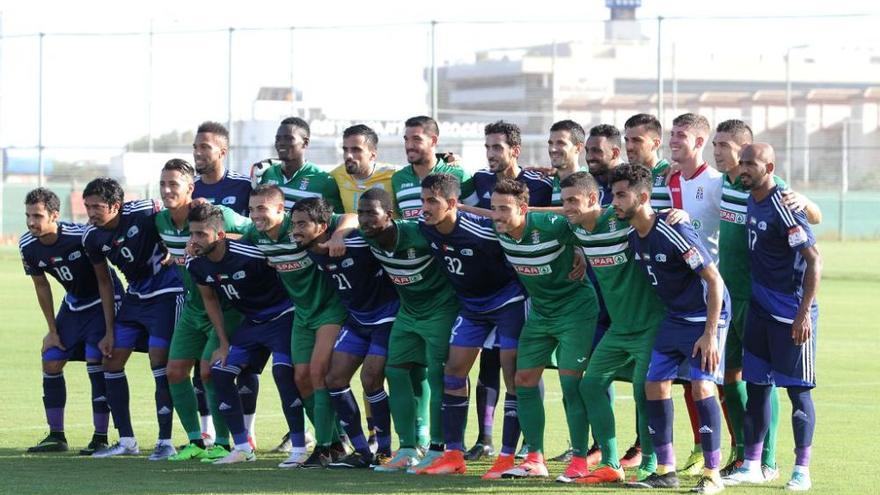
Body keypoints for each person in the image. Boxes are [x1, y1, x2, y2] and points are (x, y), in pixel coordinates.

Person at [612, 164, 729, 494]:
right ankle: (665, 470)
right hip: (676, 317)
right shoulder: (635, 236)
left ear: (644, 197)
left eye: (622, 195)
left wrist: (709, 334)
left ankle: (712, 475)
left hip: (706, 316)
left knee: (701, 388)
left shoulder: (673, 230)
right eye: (613, 194)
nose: (614, 201)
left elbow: (714, 281)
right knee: (654, 384)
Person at [414, 173, 527, 478]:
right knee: (453, 372)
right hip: (472, 307)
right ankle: (453, 455)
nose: (424, 207)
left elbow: (520, 235)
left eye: (431, 201)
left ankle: (506, 457)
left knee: (512, 375)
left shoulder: (484, 231)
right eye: (423, 200)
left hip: (508, 302)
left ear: (452, 203)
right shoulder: (425, 227)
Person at [723, 143, 822, 492]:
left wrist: (803, 314)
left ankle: (801, 470)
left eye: (752, 163)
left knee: (797, 393)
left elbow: (813, 259)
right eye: (743, 162)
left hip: (790, 315)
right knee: (758, 388)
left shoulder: (783, 204)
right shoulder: (749, 195)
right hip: (760, 312)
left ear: (770, 166)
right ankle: (751, 463)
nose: (745, 168)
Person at [560, 171, 665, 484]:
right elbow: (535, 217)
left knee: (642, 391)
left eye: (572, 201)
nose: (566, 208)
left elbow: (649, 215)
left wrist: (674, 212)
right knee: (590, 385)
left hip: (651, 324)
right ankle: (610, 463)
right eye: (563, 201)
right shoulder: (577, 231)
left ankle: (650, 461)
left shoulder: (619, 220)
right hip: (619, 329)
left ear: (594, 199)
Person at [490, 179, 597, 482]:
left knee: (570, 384)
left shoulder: (549, 225)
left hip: (575, 309)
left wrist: (581, 252)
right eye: (493, 208)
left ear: (523, 209)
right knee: (523, 379)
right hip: (540, 312)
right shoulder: (499, 229)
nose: (496, 215)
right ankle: (534, 457)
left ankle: (579, 459)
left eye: (504, 209)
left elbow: (584, 222)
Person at [243, 185, 354, 468]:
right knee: (301, 378)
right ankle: (337, 443)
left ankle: (325, 446)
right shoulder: (256, 236)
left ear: (281, 210)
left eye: (262, 209)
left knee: (318, 372)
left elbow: (350, 216)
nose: (256, 215)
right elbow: (230, 238)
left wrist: (339, 235)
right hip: (302, 315)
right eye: (252, 209)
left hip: (329, 309)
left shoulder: (298, 229)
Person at [185, 203, 302, 465]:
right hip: (252, 323)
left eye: (202, 234)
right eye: (192, 234)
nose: (195, 240)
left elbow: (287, 274)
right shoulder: (197, 265)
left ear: (220, 235)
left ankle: (299, 447)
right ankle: (242, 447)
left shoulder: (251, 254)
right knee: (220, 372)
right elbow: (211, 302)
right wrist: (223, 343)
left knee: (284, 374)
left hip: (283, 316)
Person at [155, 159, 253, 462]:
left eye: (174, 184)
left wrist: (218, 242)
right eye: (163, 184)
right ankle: (196, 440)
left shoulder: (216, 215)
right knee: (175, 372)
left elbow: (256, 232)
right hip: (192, 307)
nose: (168, 190)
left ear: (190, 188)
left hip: (226, 307)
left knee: (210, 371)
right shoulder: (160, 221)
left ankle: (224, 443)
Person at [464, 120, 551, 462]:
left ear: (515, 150)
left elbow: (561, 214)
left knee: (521, 367)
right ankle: (484, 438)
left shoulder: (540, 183)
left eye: (497, 147)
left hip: (526, 287)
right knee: (487, 364)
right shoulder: (481, 181)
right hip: (489, 288)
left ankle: (531, 441)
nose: (490, 154)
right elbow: (454, 198)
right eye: (487, 147)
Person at [357, 187, 460, 473]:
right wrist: (341, 233)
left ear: (389, 215)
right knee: (395, 370)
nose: (364, 220)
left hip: (441, 310)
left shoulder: (420, 233)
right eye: (361, 213)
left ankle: (438, 448)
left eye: (371, 213)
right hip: (409, 312)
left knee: (438, 374)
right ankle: (406, 449)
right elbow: (338, 222)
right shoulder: (366, 236)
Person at [81, 177, 184, 460]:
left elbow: (181, 214)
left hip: (167, 290)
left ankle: (165, 441)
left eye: (96, 207)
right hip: (135, 297)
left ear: (116, 206)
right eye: (87, 207)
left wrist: (177, 252)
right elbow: (104, 283)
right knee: (111, 360)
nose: (90, 213)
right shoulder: (92, 237)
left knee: (158, 359)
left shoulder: (145, 210)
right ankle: (127, 441)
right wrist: (109, 330)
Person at [294, 197, 398, 468]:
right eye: (294, 224)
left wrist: (341, 234)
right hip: (357, 320)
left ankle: (385, 450)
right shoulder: (309, 247)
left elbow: (352, 217)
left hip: (386, 317)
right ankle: (362, 452)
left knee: (371, 379)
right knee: (334, 378)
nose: (295, 230)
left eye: (302, 224)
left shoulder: (357, 243)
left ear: (323, 225)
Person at [20, 187, 123, 455]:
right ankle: (56, 437)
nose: (32, 221)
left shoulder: (82, 237)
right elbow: (42, 287)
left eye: (38, 215)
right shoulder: (28, 246)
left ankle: (100, 437)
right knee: (51, 357)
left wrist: (110, 330)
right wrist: (52, 331)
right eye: (28, 215)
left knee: (95, 357)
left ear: (54, 215)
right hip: (74, 305)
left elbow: (105, 280)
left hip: (103, 301)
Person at [250, 116, 344, 212]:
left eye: (288, 138)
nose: (281, 143)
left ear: (305, 143)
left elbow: (334, 221)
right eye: (278, 139)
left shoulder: (324, 181)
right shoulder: (266, 174)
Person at [391, 115, 477, 219]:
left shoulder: (459, 174)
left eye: (416, 139)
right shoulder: (398, 178)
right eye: (406, 139)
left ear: (433, 141)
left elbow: (477, 218)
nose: (409, 145)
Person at [330, 124, 400, 214]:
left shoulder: (395, 175)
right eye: (345, 150)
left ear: (373, 155)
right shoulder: (335, 176)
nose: (348, 156)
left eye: (356, 150)